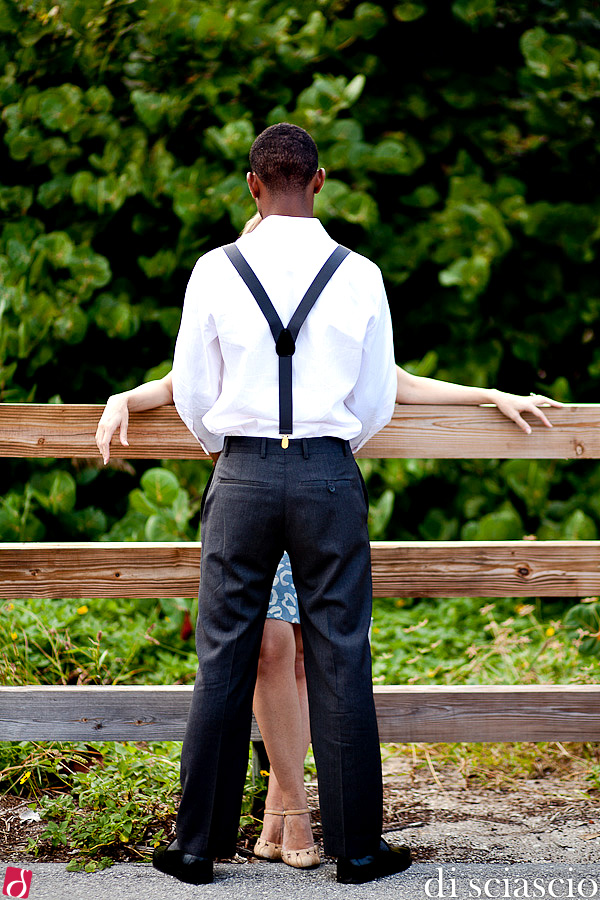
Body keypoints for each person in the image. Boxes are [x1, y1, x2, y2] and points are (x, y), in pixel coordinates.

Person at [101, 122, 560, 886]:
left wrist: (233, 453)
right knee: (342, 656)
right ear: (320, 182)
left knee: (223, 656)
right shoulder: (360, 273)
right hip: (326, 473)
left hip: (242, 472)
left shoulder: (215, 269)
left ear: (252, 185)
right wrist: (323, 449)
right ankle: (358, 850)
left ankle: (195, 847)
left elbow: (193, 388)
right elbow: (377, 399)